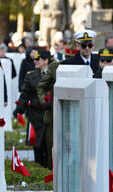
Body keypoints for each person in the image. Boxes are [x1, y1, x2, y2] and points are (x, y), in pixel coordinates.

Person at [36, 41, 78, 170]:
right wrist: (44, 100)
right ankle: (52, 171)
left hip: (75, 114)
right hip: (53, 113)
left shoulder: (83, 67)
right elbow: (41, 86)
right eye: (68, 58)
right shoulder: (55, 67)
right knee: (52, 146)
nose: (70, 60)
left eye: (72, 58)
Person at [13, 50, 51, 168]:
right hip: (36, 114)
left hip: (50, 114)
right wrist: (19, 109)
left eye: (38, 59)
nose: (35, 61)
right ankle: (39, 168)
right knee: (37, 143)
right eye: (34, 59)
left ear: (46, 60)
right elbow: (25, 94)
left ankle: (50, 167)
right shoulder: (31, 76)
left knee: (49, 143)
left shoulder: (54, 74)